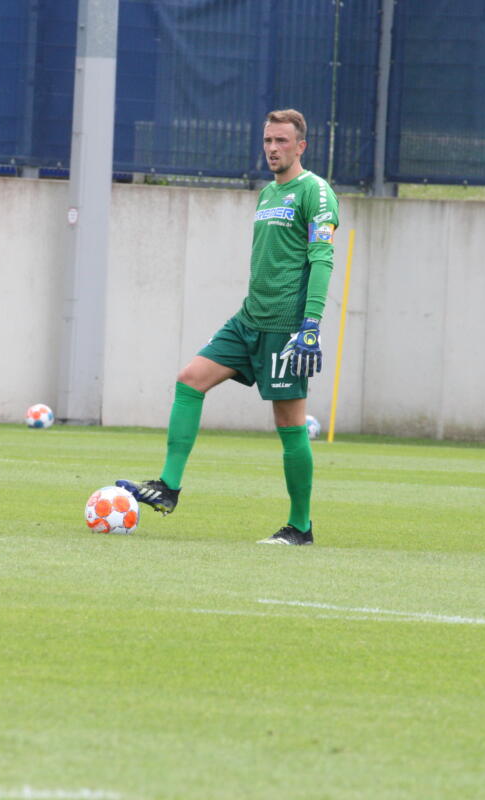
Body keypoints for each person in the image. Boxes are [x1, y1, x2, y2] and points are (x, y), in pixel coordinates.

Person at [117, 109, 339, 546]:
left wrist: (310, 324)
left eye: (281, 141)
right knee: (190, 380)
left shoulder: (317, 192)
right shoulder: (266, 196)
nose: (272, 148)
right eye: (268, 141)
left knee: (290, 423)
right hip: (248, 319)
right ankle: (168, 487)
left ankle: (300, 526)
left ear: (301, 146)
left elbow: (322, 258)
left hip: (285, 326)